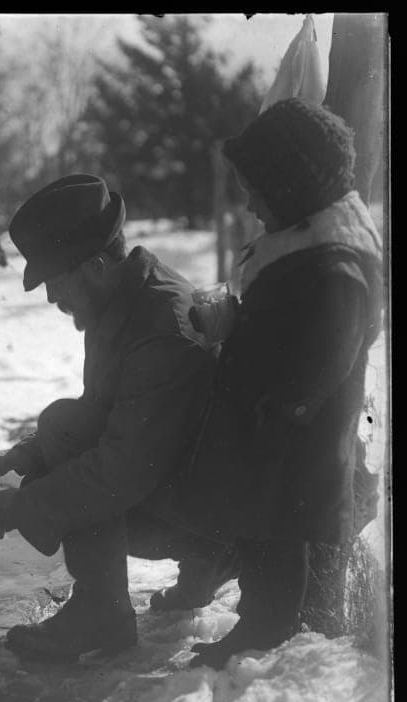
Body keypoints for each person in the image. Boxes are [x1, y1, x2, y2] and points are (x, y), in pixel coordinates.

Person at [0, 174, 234, 660]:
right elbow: (104, 415)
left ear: (98, 266)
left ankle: (102, 613)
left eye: (55, 281)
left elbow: (122, 469)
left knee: (65, 437)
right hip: (194, 482)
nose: (49, 298)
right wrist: (13, 458)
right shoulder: (123, 302)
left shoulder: (159, 327)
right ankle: (201, 568)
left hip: (221, 514)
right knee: (64, 427)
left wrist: (29, 503)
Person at [165, 98, 384, 669]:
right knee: (263, 530)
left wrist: (282, 404)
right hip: (276, 428)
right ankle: (265, 619)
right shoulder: (307, 243)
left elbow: (329, 348)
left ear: (292, 188)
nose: (247, 202)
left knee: (277, 534)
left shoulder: (333, 262)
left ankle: (267, 628)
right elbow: (287, 320)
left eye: (256, 188)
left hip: (294, 434)